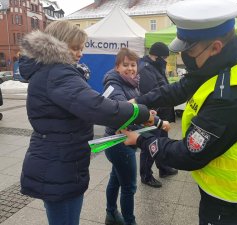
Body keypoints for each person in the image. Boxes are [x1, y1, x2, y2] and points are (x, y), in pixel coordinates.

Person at [122, 0, 237, 224]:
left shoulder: (231, 97)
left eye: (189, 49)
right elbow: (180, 89)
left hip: (230, 194)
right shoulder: (223, 60)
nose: (184, 57)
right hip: (221, 179)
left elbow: (189, 154)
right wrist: (138, 102)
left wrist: (141, 140)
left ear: (216, 46)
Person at [18, 21, 154, 225]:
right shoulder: (58, 73)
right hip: (60, 163)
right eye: (75, 48)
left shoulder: (50, 70)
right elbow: (98, 107)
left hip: (59, 157)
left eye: (81, 48)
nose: (80, 53)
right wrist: (141, 112)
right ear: (58, 45)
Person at [103, 48, 170, 225]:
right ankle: (129, 222)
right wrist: (155, 120)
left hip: (123, 141)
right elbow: (124, 109)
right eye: (125, 65)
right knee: (129, 187)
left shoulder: (131, 82)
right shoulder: (113, 84)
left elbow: (136, 109)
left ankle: (110, 214)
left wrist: (147, 113)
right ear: (117, 67)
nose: (130, 68)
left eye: (133, 64)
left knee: (116, 179)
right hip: (119, 142)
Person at [138, 42, 177, 188]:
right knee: (150, 145)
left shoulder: (156, 67)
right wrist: (153, 119)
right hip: (153, 116)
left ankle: (164, 168)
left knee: (162, 143)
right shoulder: (146, 69)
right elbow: (151, 95)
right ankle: (146, 176)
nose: (166, 60)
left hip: (162, 115)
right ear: (157, 56)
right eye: (165, 57)